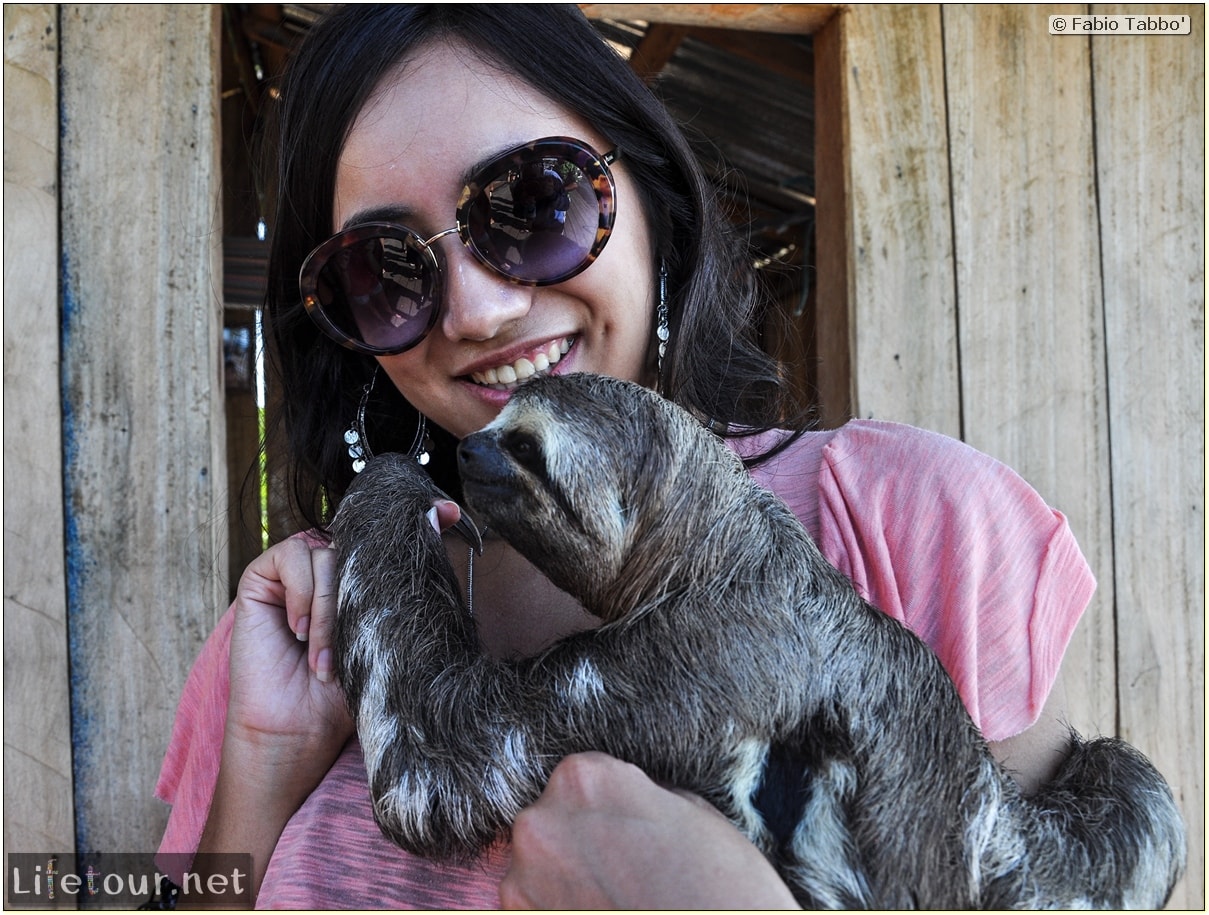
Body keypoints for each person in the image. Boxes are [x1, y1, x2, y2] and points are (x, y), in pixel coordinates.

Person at [154, 5, 1094, 908]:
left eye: (531, 205)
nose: (477, 310)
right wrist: (265, 767)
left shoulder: (901, 513)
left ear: (650, 198)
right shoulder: (291, 630)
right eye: (383, 270)